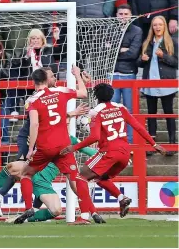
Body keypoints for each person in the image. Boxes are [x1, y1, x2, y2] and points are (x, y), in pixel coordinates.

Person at [60, 83, 167, 218]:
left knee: (80, 177)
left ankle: (84, 216)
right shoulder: (121, 108)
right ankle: (121, 197)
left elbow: (94, 137)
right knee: (101, 178)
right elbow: (138, 126)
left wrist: (73, 147)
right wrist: (154, 144)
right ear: (112, 95)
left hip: (109, 152)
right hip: (125, 153)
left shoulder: (96, 111)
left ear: (96, 97)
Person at [15, 66, 97, 225]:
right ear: (46, 80)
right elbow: (83, 94)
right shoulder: (60, 91)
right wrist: (77, 76)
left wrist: (31, 149)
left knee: (25, 174)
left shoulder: (32, 100)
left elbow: (34, 125)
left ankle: (28, 208)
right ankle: (87, 214)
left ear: (34, 82)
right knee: (75, 178)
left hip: (45, 147)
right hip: (64, 146)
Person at [138, 16, 177, 154]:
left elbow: (176, 63)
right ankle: (152, 144)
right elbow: (139, 63)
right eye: (155, 25)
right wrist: (142, 60)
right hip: (150, 83)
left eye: (160, 24)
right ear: (152, 27)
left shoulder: (173, 42)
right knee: (151, 114)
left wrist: (163, 56)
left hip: (166, 83)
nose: (157, 27)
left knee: (169, 113)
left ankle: (172, 143)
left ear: (165, 26)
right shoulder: (147, 42)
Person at [111, 4, 143, 144]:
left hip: (129, 73)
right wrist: (122, 50)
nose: (123, 16)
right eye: (120, 14)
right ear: (116, 15)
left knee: (129, 110)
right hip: (111, 73)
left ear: (131, 15)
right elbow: (106, 52)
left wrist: (116, 51)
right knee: (112, 110)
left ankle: (129, 142)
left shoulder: (137, 30)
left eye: (126, 14)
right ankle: (115, 141)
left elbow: (133, 53)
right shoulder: (109, 29)